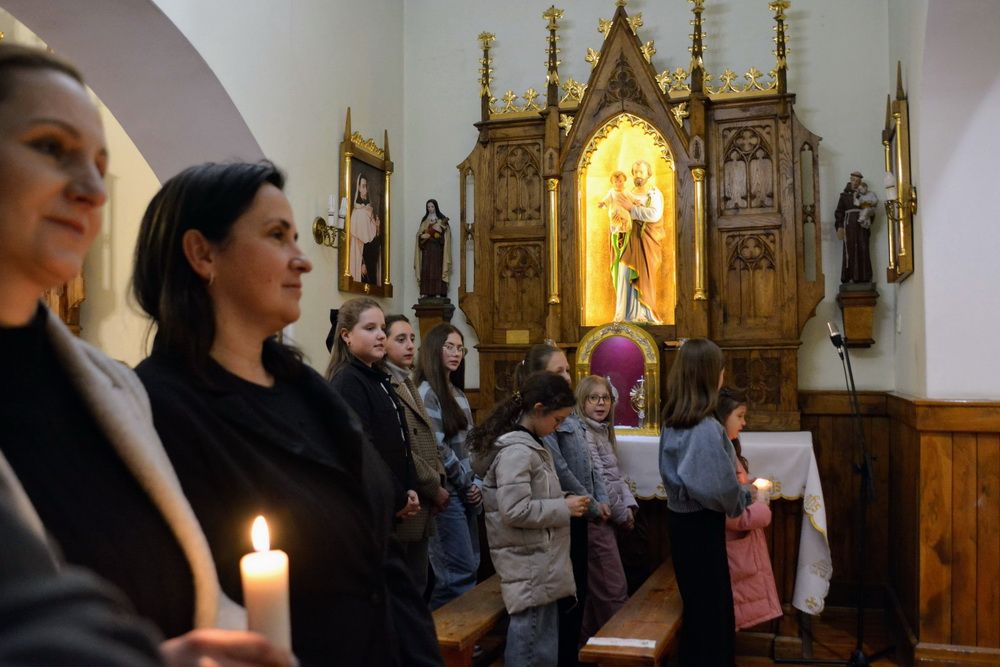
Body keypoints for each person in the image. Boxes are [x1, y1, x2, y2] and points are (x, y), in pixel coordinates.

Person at [0, 43, 292, 667]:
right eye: (51, 147)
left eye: (99, 164)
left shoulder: (113, 389)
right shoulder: (163, 390)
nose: (92, 190)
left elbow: (192, 599)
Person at [132, 162, 439, 666]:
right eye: (278, 236)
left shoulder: (305, 388)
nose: (303, 261)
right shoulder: (160, 409)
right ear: (202, 254)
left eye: (296, 237)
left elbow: (377, 555)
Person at [468, 372, 591, 667]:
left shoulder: (532, 444)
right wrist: (563, 507)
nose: (558, 426)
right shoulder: (517, 451)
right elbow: (514, 510)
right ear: (538, 410)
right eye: (557, 420)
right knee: (531, 648)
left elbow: (535, 494)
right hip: (529, 565)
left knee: (542, 648)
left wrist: (562, 500)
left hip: (539, 562)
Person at [659, 338, 751, 667]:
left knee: (701, 612)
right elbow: (716, 488)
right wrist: (743, 497)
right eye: (720, 369)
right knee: (711, 616)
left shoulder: (675, 419)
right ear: (710, 375)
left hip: (685, 525)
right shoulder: (704, 427)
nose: (723, 375)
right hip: (700, 527)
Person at [514, 343, 608, 665]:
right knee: (563, 603)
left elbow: (589, 462)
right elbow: (561, 471)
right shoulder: (539, 424)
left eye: (568, 370)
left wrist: (596, 499)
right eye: (559, 371)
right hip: (559, 517)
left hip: (574, 512)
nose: (568, 376)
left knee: (576, 592)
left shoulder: (566, 414)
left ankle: (569, 656)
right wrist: (589, 503)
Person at [415, 323, 482, 608]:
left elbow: (472, 444)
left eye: (460, 348)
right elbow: (437, 446)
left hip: (466, 489)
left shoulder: (458, 392)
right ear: (434, 350)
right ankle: (438, 632)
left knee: (471, 567)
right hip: (449, 493)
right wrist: (466, 483)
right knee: (456, 577)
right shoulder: (427, 392)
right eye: (449, 347)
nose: (456, 353)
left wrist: (477, 482)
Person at [383, 314, 450, 592]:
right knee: (405, 589)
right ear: (383, 343)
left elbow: (429, 439)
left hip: (425, 499)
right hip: (410, 499)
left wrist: (440, 479)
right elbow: (405, 448)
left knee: (419, 585)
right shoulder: (386, 384)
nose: (411, 345)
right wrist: (434, 486)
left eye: (412, 339)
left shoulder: (408, 382)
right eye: (401, 339)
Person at [576, 375, 637, 641]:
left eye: (605, 398)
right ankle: (619, 650)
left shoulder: (601, 431)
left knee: (598, 594)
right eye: (594, 398)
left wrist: (629, 505)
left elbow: (617, 475)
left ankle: (587, 648)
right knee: (613, 591)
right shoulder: (585, 434)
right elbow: (599, 480)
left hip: (608, 517)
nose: (601, 403)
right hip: (597, 520)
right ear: (582, 401)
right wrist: (622, 514)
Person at [717, 388, 782, 631]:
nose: (744, 422)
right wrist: (762, 509)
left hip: (738, 548)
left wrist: (750, 486)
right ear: (722, 418)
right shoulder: (720, 455)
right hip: (731, 549)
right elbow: (729, 513)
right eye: (739, 416)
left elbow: (735, 490)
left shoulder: (729, 449)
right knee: (729, 614)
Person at [612, 159, 665, 324]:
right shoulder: (627, 194)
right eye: (635, 172)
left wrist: (632, 209)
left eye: (641, 172)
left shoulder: (653, 193)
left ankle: (643, 313)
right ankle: (624, 315)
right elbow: (616, 214)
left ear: (648, 174)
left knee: (643, 277)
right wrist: (617, 223)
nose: (637, 175)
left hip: (646, 242)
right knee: (624, 273)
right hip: (628, 241)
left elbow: (654, 215)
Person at [834, 170, 873, 284]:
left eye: (858, 181)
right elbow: (839, 212)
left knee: (863, 249)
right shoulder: (844, 196)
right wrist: (840, 227)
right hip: (849, 227)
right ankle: (849, 276)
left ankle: (864, 277)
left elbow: (870, 210)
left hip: (862, 227)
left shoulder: (865, 195)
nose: (855, 182)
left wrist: (868, 217)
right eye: (853, 180)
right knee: (850, 250)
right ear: (850, 180)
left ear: (860, 182)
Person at [415, 199, 451, 298]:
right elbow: (419, 235)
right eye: (428, 207)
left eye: (432, 206)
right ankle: (425, 292)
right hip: (427, 250)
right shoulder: (424, 221)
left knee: (436, 270)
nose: (430, 209)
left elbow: (447, 235)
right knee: (426, 270)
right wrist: (422, 236)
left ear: (435, 207)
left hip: (437, 250)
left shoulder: (440, 220)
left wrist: (441, 233)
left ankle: (438, 292)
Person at [349, 171, 380, 284]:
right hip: (362, 259)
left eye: (366, 186)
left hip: (372, 257)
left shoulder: (370, 210)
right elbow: (356, 242)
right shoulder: (357, 212)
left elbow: (374, 240)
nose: (365, 190)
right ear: (358, 188)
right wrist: (362, 263)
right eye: (363, 186)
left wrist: (377, 228)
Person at [597, 171, 631, 235]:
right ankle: (615, 230)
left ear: (624, 181)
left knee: (626, 221)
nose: (618, 184)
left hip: (624, 212)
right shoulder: (612, 192)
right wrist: (603, 203)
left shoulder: (626, 191)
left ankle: (624, 230)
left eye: (620, 181)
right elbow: (607, 199)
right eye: (615, 182)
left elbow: (632, 198)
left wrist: (635, 201)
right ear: (612, 183)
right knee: (615, 222)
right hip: (615, 212)